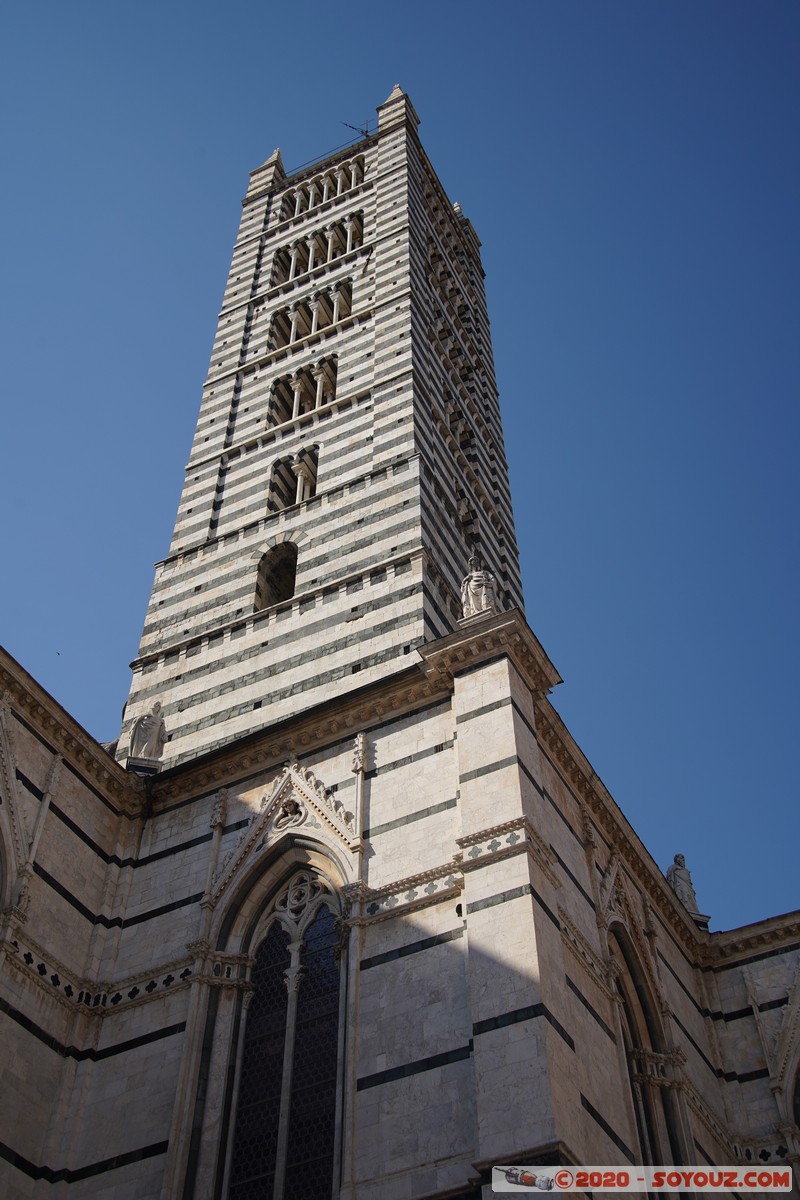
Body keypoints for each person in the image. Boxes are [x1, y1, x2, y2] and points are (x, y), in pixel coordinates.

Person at [460, 554, 500, 619]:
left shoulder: (485, 573)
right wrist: (466, 580)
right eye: (474, 562)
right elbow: (463, 588)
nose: (476, 563)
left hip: (484, 587)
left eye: (476, 562)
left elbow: (493, 580)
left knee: (485, 602)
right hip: (472, 589)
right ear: (471, 564)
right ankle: (474, 612)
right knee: (473, 605)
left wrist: (489, 584)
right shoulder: (469, 577)